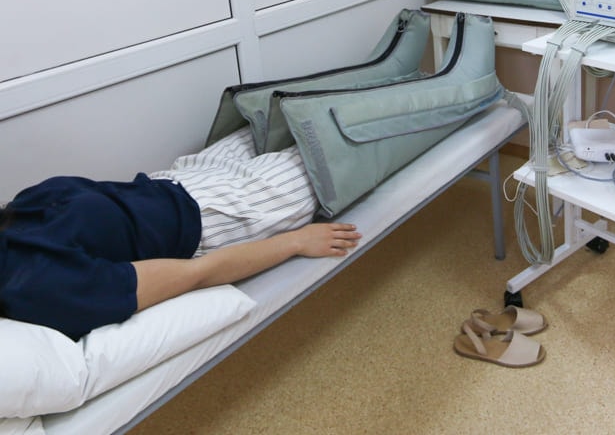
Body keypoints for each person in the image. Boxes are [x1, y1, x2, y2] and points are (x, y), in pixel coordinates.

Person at [0, 127, 362, 340]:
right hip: (222, 216)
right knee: (336, 136)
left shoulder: (14, 218)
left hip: (179, 178)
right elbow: (195, 274)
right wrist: (295, 241)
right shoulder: (40, 285)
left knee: (282, 109)